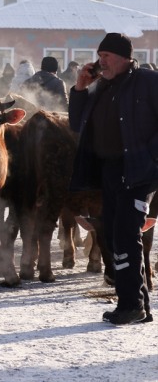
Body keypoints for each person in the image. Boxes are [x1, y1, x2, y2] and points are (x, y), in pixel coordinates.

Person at [69, 32, 158, 326]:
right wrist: (80, 89)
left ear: (123, 57)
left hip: (136, 171)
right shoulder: (101, 86)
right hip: (109, 171)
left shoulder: (147, 81)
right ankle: (138, 303)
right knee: (113, 235)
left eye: (106, 56)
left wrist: (150, 158)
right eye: (99, 55)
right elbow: (76, 122)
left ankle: (131, 304)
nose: (100, 61)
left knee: (125, 235)